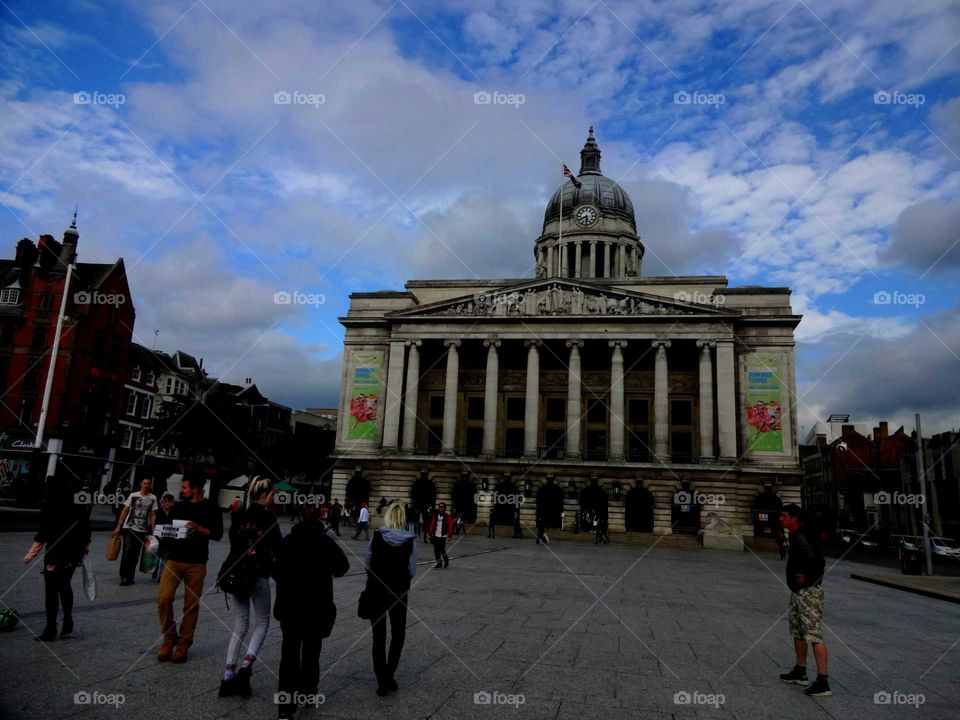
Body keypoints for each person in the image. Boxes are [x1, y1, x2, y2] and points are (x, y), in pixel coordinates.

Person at [273, 501, 349, 720]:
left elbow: (276, 571)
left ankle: (286, 707)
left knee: (288, 655)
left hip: (291, 608)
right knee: (311, 652)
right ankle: (308, 692)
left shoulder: (288, 541)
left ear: (300, 517)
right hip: (317, 608)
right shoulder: (326, 542)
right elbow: (342, 568)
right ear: (320, 518)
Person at [220, 477, 283, 698]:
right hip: (259, 575)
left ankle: (228, 675)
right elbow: (279, 550)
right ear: (265, 495)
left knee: (240, 626)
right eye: (273, 494)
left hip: (237, 575)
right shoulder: (269, 518)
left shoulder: (239, 516)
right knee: (262, 621)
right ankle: (246, 668)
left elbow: (234, 544)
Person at [156, 474, 223, 664]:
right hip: (174, 559)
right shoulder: (179, 506)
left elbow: (217, 534)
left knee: (191, 606)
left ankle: (183, 645)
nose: (182, 490)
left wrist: (200, 529)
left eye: (185, 487)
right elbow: (169, 528)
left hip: (197, 562)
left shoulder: (212, 508)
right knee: (163, 598)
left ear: (195, 489)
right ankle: (169, 638)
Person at [23, 475, 90, 641]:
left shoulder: (50, 505)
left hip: (55, 552)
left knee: (51, 590)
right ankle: (67, 617)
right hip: (73, 553)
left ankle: (50, 628)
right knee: (65, 585)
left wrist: (31, 554)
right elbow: (86, 527)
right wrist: (84, 547)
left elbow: (43, 532)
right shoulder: (79, 504)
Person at [363, 502, 416, 696]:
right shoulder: (410, 540)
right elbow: (412, 570)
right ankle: (389, 674)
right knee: (398, 634)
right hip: (399, 592)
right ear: (402, 518)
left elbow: (367, 562)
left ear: (387, 517)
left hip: (377, 591)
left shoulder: (377, 537)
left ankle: (381, 680)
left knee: (379, 636)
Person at [778, 504, 831, 697]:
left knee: (813, 633)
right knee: (798, 631)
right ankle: (800, 671)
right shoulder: (794, 535)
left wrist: (806, 579)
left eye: (784, 516)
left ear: (794, 519)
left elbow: (818, 560)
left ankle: (823, 681)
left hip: (808, 592)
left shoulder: (801, 536)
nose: (781, 519)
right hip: (798, 591)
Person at [113, 476, 157, 586]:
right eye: (144, 483)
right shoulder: (133, 495)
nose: (146, 485)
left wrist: (153, 529)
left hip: (142, 530)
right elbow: (125, 511)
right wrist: (119, 526)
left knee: (135, 554)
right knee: (127, 551)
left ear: (150, 485)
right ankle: (124, 576)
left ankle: (130, 576)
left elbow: (153, 514)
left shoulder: (153, 498)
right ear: (141, 484)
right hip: (129, 527)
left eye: (148, 483)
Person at [153, 493, 175, 581]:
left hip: (168, 540)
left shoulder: (173, 513)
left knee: (165, 559)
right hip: (158, 538)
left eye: (169, 502)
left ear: (172, 503)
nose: (167, 504)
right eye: (165, 502)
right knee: (157, 557)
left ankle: (161, 576)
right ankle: (155, 569)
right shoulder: (159, 512)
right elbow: (154, 523)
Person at [428, 502, 453, 568]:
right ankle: (439, 563)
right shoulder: (435, 515)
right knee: (436, 550)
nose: (440, 508)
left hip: (443, 536)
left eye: (441, 507)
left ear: (444, 508)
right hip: (436, 535)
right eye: (439, 506)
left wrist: (450, 535)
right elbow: (432, 525)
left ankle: (446, 560)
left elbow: (450, 526)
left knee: (442, 550)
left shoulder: (448, 516)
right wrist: (430, 533)